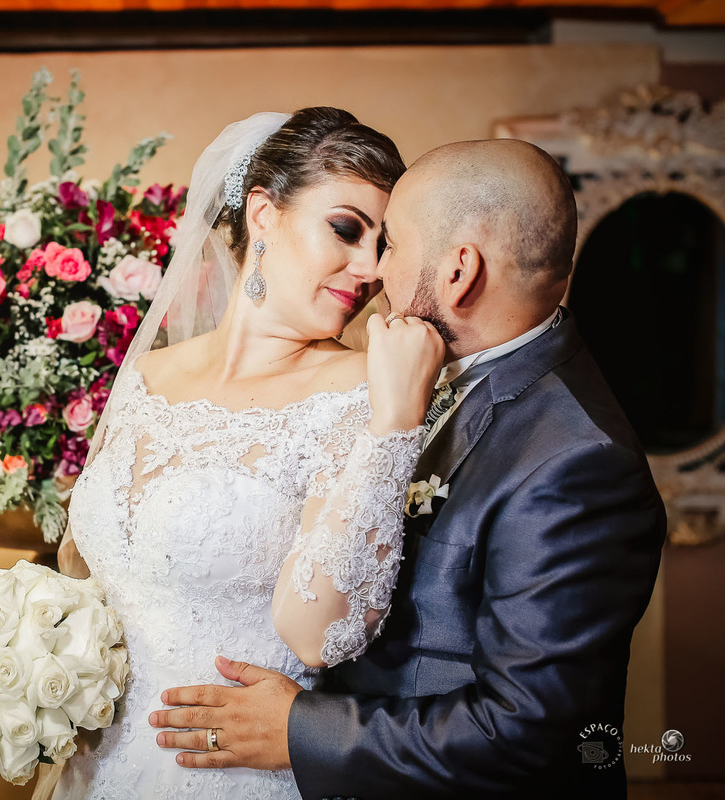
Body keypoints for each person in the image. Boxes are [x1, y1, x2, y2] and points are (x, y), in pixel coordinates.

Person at [148, 139, 667, 799]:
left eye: (390, 244)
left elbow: (529, 731)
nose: (372, 272)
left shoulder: (578, 462)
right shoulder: (424, 374)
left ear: (458, 272)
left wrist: (297, 729)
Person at [50, 108, 444, 799]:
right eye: (346, 229)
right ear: (263, 212)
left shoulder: (361, 392)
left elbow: (324, 634)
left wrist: (395, 424)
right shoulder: (148, 376)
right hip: (97, 770)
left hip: (237, 775)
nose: (368, 268)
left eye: (383, 246)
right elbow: (90, 576)